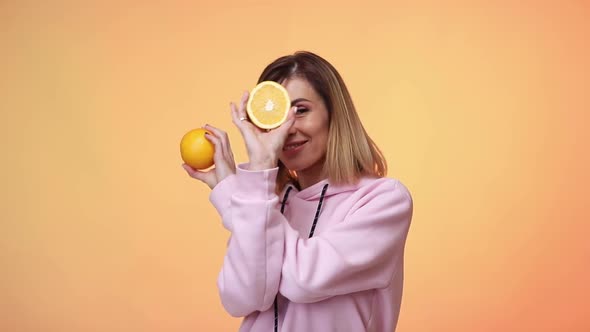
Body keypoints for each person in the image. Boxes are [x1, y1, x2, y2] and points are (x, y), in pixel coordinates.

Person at [182, 51, 413, 332]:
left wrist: (237, 196)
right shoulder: (267, 201)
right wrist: (250, 196)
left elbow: (303, 279)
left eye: (301, 110)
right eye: (273, 117)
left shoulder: (383, 201)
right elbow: (240, 298)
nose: (286, 129)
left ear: (334, 114)